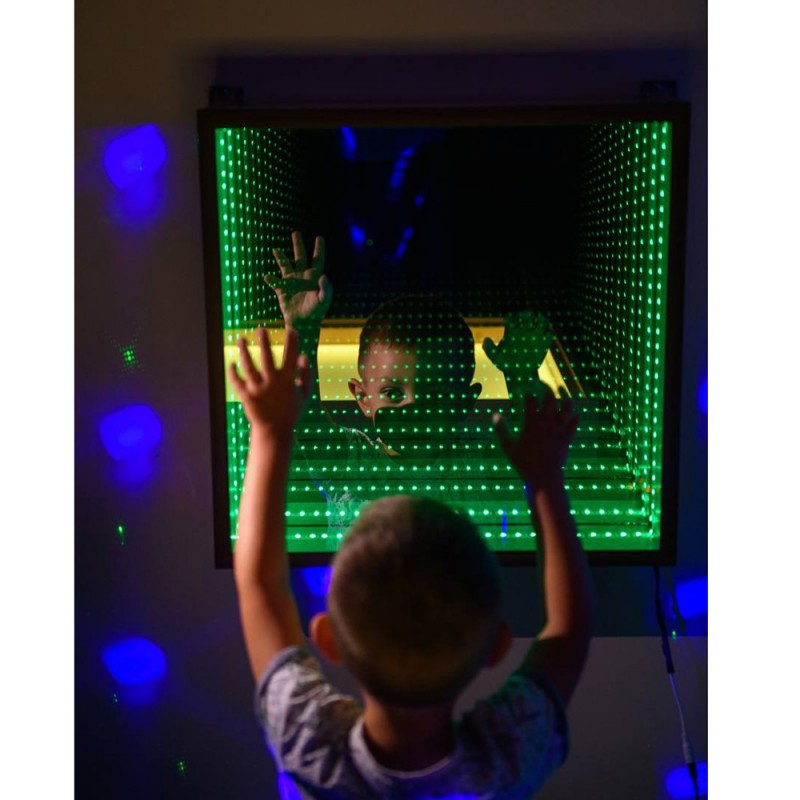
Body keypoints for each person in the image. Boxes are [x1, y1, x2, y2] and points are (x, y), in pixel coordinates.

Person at [228, 325, 593, 799]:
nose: (414, 410)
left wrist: (269, 431)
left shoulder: (313, 751)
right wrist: (544, 476)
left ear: (328, 638)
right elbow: (571, 627)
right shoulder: (504, 758)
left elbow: (259, 585)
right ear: (496, 645)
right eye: (396, 393)